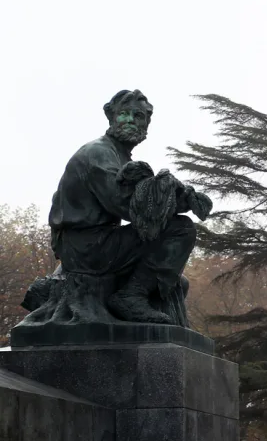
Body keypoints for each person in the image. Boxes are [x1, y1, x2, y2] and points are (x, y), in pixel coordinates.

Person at [46, 89, 210, 323]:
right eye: (124, 114)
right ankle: (131, 297)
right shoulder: (99, 153)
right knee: (181, 229)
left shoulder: (119, 155)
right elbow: (127, 206)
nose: (131, 120)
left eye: (138, 116)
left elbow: (140, 202)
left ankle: (136, 296)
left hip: (95, 243)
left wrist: (180, 197)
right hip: (86, 247)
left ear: (146, 124)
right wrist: (179, 200)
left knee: (177, 282)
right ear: (111, 117)